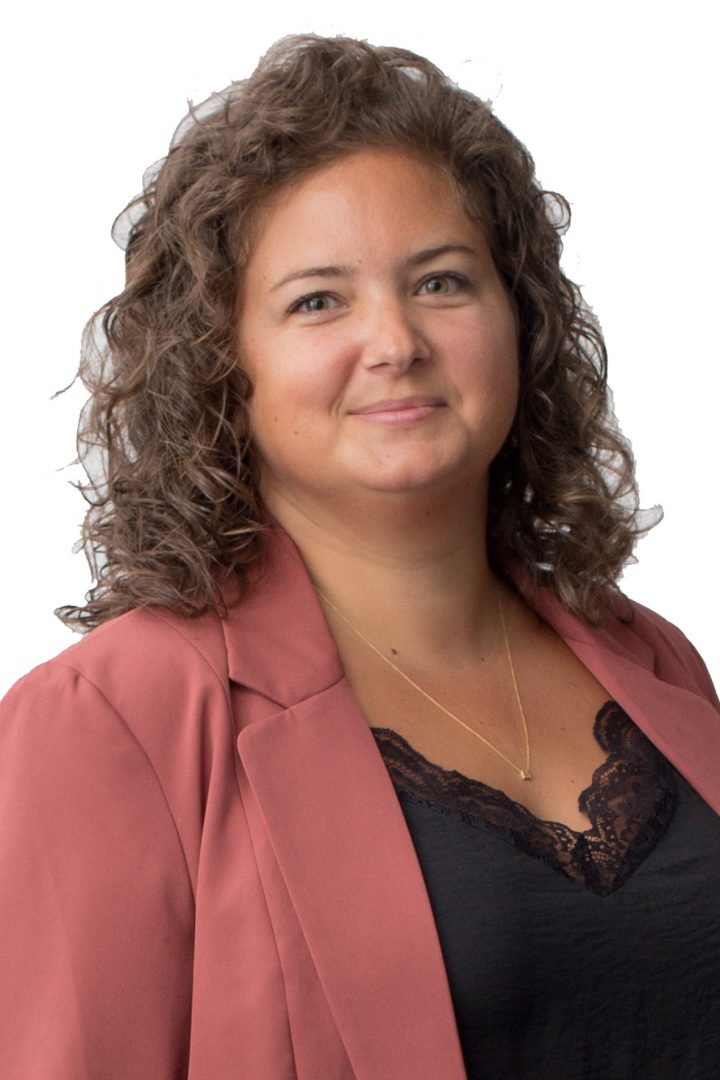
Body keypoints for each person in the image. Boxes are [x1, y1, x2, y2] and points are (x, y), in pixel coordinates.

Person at [1, 32, 718, 1080]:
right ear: (219, 365)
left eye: (440, 282)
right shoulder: (110, 725)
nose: (395, 341)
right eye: (318, 301)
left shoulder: (654, 663)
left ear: (518, 319)